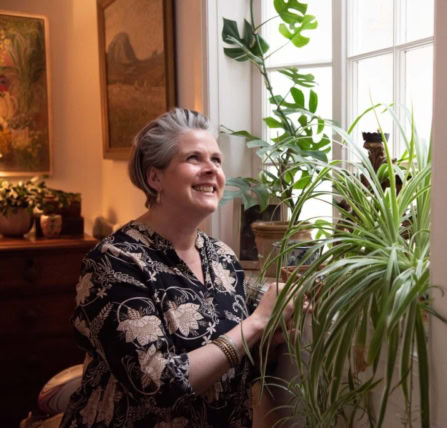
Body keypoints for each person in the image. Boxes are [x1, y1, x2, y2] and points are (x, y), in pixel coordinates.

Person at [61, 108, 291, 427]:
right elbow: (159, 384)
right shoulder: (115, 261)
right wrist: (257, 322)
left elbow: (236, 366)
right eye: (194, 158)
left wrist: (279, 327)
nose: (212, 169)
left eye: (217, 160)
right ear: (155, 177)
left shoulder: (222, 258)